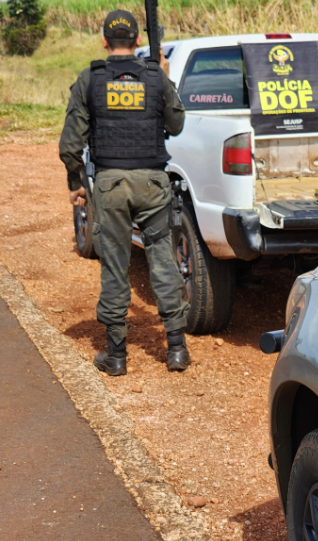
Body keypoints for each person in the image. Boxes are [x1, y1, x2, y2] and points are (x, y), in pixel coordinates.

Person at [59, 10, 190, 376]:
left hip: (110, 185)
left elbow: (71, 145)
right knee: (162, 258)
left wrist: (77, 185)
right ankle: (177, 348)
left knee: (115, 266)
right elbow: (176, 125)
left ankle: (116, 355)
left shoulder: (91, 79)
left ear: (104, 41)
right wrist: (164, 76)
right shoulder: (154, 77)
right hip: (152, 183)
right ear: (137, 42)